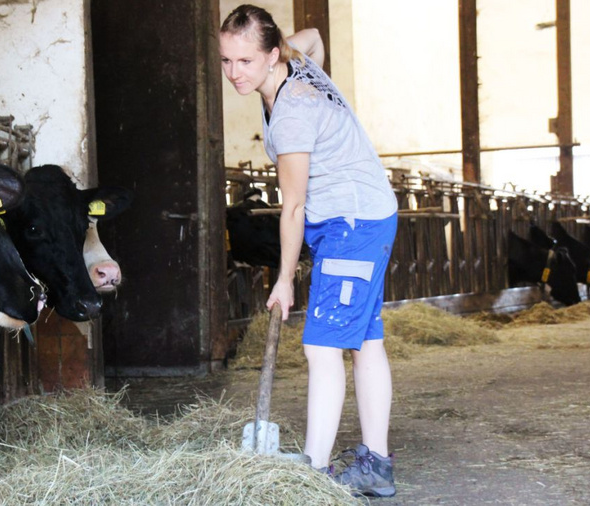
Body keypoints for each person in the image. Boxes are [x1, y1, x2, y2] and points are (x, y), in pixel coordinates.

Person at [219, 4, 399, 498]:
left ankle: (312, 477)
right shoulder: (297, 61)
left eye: (247, 62)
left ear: (271, 54)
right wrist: (291, 47)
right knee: (365, 343)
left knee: (322, 347)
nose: (235, 73)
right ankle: (375, 466)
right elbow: (316, 36)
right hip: (367, 214)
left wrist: (284, 279)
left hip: (351, 224)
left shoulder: (293, 110)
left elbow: (293, 206)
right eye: (227, 61)